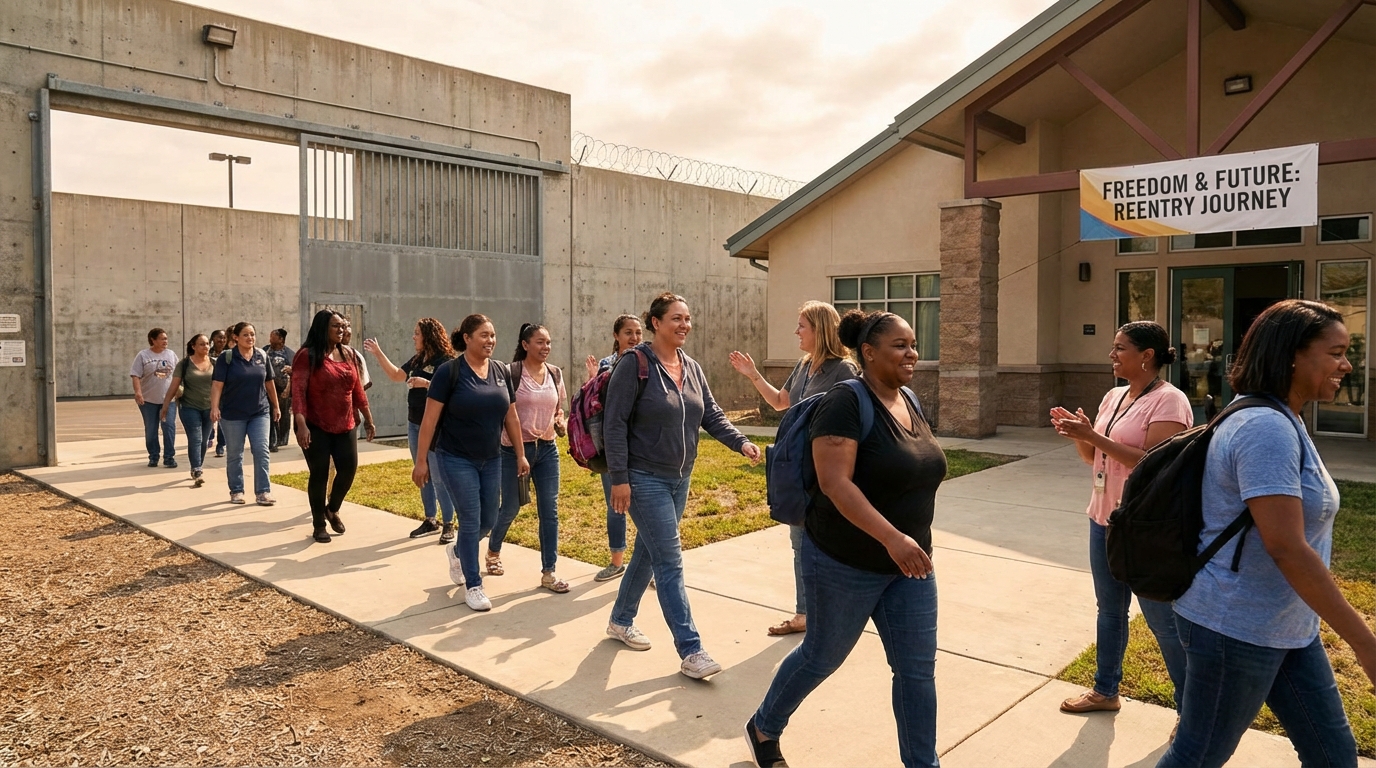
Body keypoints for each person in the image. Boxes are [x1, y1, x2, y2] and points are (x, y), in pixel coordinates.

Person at [1158, 299, 1376, 767]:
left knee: (1334, 756)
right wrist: (1365, 643)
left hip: (1287, 626)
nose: (1347, 363)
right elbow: (1286, 548)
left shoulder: (1283, 417)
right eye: (1336, 351)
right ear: (1292, 354)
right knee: (1195, 757)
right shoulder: (1264, 427)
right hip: (1234, 627)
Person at [745, 310, 943, 768]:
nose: (911, 352)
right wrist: (893, 538)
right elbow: (836, 483)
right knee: (820, 657)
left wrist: (904, 543)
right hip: (843, 561)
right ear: (868, 353)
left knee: (916, 672)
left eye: (913, 343)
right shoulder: (845, 402)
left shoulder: (908, 398)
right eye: (899, 345)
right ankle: (764, 726)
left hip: (910, 567)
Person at [602, 292, 762, 680]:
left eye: (687, 319)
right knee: (670, 562)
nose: (684, 325)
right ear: (656, 322)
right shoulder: (634, 364)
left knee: (649, 549)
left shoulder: (690, 366)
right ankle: (691, 650)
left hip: (680, 477)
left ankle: (620, 620)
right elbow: (614, 424)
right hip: (643, 477)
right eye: (676, 318)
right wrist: (620, 479)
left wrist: (740, 441)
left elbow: (710, 412)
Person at [1049, 321, 1192, 716]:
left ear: (1147, 356)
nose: (1111, 355)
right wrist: (1077, 433)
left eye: (1119, 348)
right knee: (1109, 610)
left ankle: (1190, 709)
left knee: (1162, 620)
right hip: (1103, 517)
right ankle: (1105, 691)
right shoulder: (1113, 396)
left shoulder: (1170, 401)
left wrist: (1092, 436)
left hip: (1143, 525)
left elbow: (1154, 464)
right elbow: (1093, 457)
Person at [729, 300, 857, 637]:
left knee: (831, 540)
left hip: (827, 468)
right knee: (799, 539)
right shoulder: (803, 365)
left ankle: (835, 609)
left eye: (802, 326)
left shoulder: (844, 370)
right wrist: (753, 374)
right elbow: (780, 402)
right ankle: (805, 613)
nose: (797, 331)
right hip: (797, 465)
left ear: (821, 330)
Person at [412, 314, 527, 612]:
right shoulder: (449, 372)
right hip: (455, 457)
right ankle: (473, 584)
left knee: (489, 519)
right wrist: (421, 461)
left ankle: (458, 551)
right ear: (467, 338)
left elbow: (511, 416)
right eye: (483, 335)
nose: (490, 340)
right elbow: (429, 419)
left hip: (491, 459)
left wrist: (520, 453)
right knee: (472, 518)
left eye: (493, 335)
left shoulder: (501, 371)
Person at [488, 323, 570, 593]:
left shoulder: (555, 373)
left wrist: (559, 422)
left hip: (547, 449)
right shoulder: (512, 373)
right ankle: (493, 552)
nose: (545, 347)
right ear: (525, 345)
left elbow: (559, 409)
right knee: (510, 507)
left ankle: (549, 572)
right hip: (513, 450)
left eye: (548, 342)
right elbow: (502, 411)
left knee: (550, 511)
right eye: (539, 342)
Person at [363, 319, 458, 543]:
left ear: (429, 335)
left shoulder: (446, 361)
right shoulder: (418, 358)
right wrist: (378, 353)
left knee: (437, 475)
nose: (413, 337)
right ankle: (430, 519)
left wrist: (425, 383)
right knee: (421, 472)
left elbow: (452, 388)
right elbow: (397, 375)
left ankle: (448, 523)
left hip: (434, 425)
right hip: (414, 423)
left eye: (417, 333)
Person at [292, 310, 376, 543]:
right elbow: (298, 391)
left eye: (342, 326)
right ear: (322, 328)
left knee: (348, 469)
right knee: (319, 474)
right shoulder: (306, 355)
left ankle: (332, 509)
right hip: (314, 424)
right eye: (335, 326)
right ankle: (319, 524)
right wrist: (301, 425)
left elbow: (357, 389)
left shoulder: (348, 353)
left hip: (345, 422)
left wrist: (368, 418)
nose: (341, 330)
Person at [582, 314, 643, 583]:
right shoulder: (608, 366)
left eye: (638, 332)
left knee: (649, 508)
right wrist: (594, 380)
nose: (634, 338)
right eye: (628, 332)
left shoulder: (647, 362)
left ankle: (649, 563)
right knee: (616, 505)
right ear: (616, 335)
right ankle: (617, 562)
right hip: (614, 447)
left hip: (643, 446)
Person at [210, 323, 281, 506]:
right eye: (245, 335)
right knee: (235, 453)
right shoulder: (226, 358)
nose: (250, 338)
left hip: (260, 412)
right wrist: (215, 407)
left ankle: (263, 491)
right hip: (233, 414)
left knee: (262, 450)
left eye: (252, 334)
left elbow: (269, 382)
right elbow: (217, 385)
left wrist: (276, 406)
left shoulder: (261, 355)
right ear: (236, 337)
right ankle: (237, 490)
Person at [161, 334, 214, 487]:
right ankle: (197, 469)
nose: (206, 347)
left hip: (209, 407)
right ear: (193, 346)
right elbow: (174, 385)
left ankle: (197, 466)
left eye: (207, 344)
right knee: (196, 438)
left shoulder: (215, 363)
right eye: (202, 344)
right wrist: (166, 405)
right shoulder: (184, 364)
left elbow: (220, 386)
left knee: (204, 441)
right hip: (189, 407)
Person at [130, 328, 180, 468]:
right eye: (162, 339)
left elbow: (178, 375)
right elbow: (135, 375)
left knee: (168, 426)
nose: (165, 341)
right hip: (148, 401)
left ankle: (169, 457)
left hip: (168, 400)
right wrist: (138, 392)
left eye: (166, 338)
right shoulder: (143, 355)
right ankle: (153, 456)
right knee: (151, 429)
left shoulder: (171, 355)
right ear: (153, 339)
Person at [263, 328, 295, 452]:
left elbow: (294, 372)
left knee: (284, 414)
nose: (270, 339)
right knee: (272, 413)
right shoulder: (265, 351)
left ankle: (283, 439)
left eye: (273, 337)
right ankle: (273, 440)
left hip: (284, 388)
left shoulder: (289, 354)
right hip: (268, 387)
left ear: (281, 339)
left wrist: (288, 388)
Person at [209, 329, 228, 458]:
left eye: (223, 338)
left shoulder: (229, 354)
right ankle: (209, 436)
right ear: (212, 339)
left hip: (226, 391)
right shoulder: (206, 353)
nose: (221, 340)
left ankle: (221, 444)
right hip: (209, 390)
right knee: (209, 416)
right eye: (218, 338)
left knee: (222, 418)